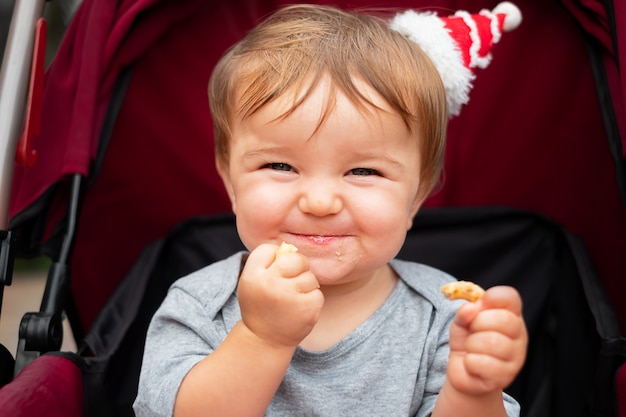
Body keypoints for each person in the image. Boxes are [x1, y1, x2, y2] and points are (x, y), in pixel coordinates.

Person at [133, 4, 527, 416]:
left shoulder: (445, 317)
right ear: (231, 182)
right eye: (280, 166)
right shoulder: (200, 305)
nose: (319, 202)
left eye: (362, 170)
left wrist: (471, 393)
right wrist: (261, 339)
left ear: (416, 196)